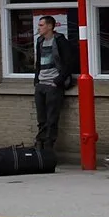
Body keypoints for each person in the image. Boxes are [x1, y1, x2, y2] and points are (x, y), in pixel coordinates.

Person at [32, 13, 75, 152]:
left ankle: (48, 148)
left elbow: (69, 63)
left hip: (53, 85)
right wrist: (36, 80)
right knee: (41, 119)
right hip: (41, 84)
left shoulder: (60, 41)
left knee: (52, 118)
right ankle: (39, 146)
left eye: (41, 25)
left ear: (50, 26)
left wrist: (58, 81)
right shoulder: (39, 41)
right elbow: (38, 62)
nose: (39, 28)